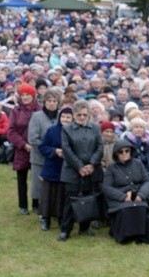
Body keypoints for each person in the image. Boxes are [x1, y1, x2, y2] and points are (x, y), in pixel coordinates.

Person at [58, 99, 103, 241]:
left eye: (85, 114)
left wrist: (91, 164)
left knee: (89, 198)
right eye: (79, 115)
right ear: (74, 115)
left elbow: (100, 147)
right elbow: (67, 150)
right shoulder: (66, 129)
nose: (82, 117)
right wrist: (79, 166)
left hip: (91, 170)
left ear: (89, 114)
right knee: (70, 201)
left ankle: (85, 227)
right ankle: (66, 229)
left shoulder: (95, 128)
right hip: (72, 171)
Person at [101, 139, 149, 243]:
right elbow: (106, 187)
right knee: (126, 210)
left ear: (130, 151)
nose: (124, 153)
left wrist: (141, 195)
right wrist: (123, 197)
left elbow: (147, 181)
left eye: (127, 150)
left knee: (142, 208)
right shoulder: (112, 169)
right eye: (121, 152)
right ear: (116, 154)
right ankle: (126, 236)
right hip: (120, 199)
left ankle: (141, 235)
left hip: (137, 195)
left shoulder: (138, 163)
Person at [7, 83, 41, 215]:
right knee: (22, 179)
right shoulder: (16, 111)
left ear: (33, 96)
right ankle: (23, 205)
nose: (25, 97)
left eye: (28, 95)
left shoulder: (40, 110)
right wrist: (23, 144)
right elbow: (11, 131)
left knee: (37, 179)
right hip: (21, 149)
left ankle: (36, 204)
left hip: (37, 149)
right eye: (23, 95)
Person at [28, 87, 62, 216]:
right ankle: (36, 204)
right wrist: (47, 149)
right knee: (38, 183)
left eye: (54, 101)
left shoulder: (61, 116)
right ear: (44, 102)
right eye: (49, 100)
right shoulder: (37, 116)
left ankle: (52, 207)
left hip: (57, 157)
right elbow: (33, 138)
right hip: (40, 156)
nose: (52, 103)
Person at [37, 106, 72, 231]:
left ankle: (61, 218)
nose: (66, 120)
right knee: (47, 195)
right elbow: (42, 147)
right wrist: (54, 151)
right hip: (52, 167)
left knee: (61, 196)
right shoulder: (52, 131)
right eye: (63, 117)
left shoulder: (74, 132)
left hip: (67, 169)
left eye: (68, 117)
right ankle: (46, 219)